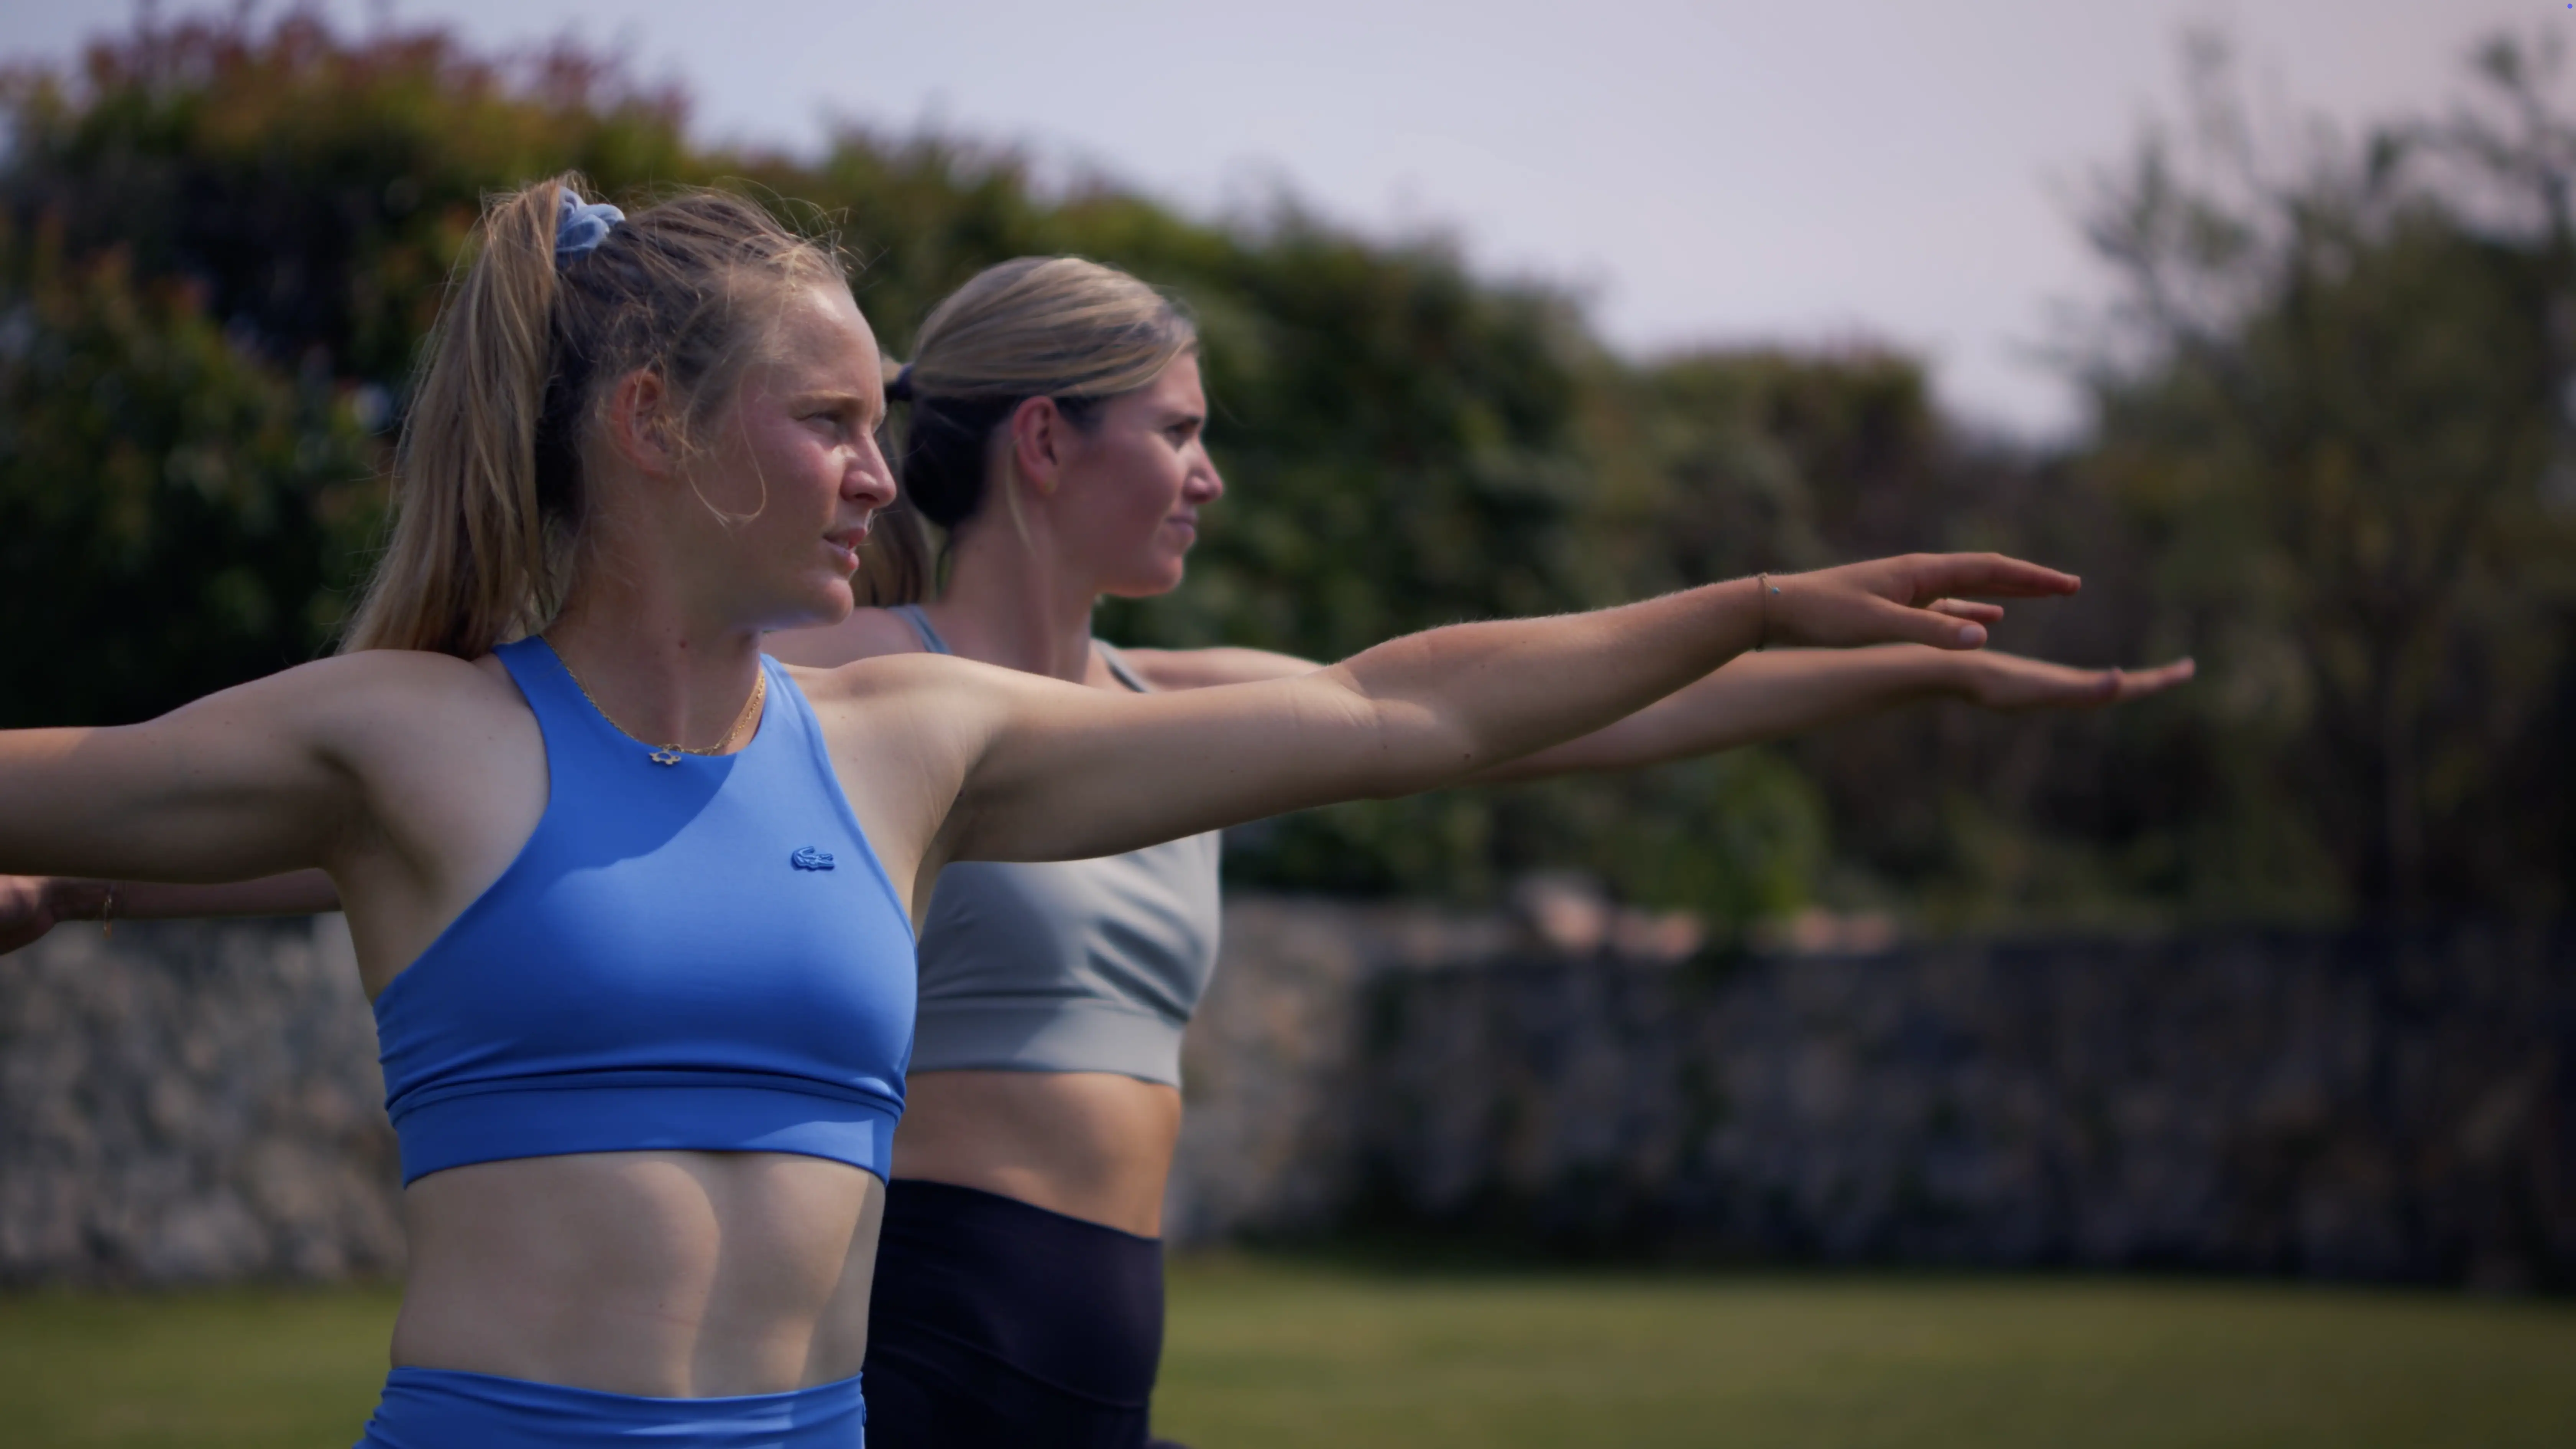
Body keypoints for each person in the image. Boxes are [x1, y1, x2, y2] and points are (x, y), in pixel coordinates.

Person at [0, 172, 2083, 1446]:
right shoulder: (415, 733)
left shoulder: (921, 741)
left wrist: (1757, 609)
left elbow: (1400, 714)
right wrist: (79, 886)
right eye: (827, 422)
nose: (874, 471)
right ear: (653, 430)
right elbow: (119, 802)